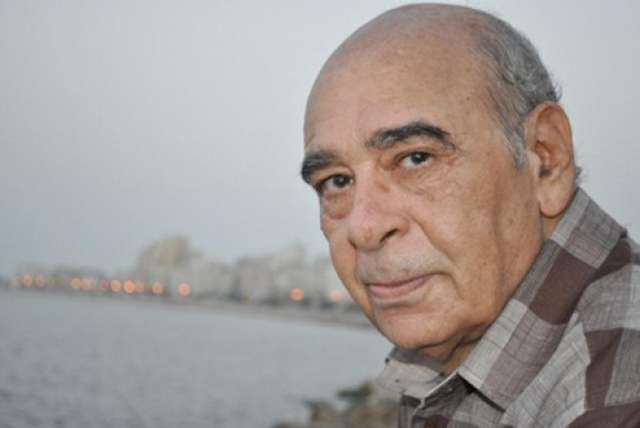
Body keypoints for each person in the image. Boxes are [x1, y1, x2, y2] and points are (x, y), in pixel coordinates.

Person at [300, 3, 640, 427]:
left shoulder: (614, 402)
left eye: (416, 158)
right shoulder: (464, 353)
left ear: (546, 159)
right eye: (336, 181)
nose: (364, 227)